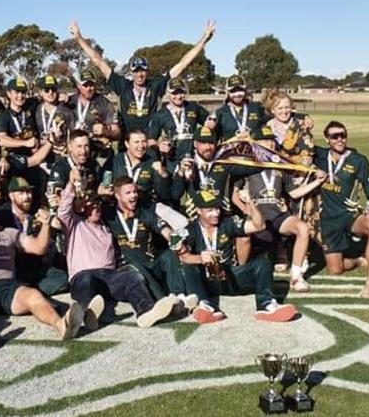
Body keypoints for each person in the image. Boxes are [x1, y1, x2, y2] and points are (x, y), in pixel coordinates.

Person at [58, 168, 193, 329]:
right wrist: (71, 184)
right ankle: (88, 314)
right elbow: (63, 210)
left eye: (98, 203)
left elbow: (155, 222)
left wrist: (175, 239)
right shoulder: (74, 223)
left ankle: (145, 312)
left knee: (132, 278)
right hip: (83, 275)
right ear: (81, 207)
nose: (96, 207)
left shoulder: (106, 225)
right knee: (87, 280)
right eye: (91, 204)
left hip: (109, 276)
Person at [0, 196, 85, 352]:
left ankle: (61, 325)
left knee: (33, 296)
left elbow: (38, 247)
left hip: (8, 287)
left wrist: (46, 224)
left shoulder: (8, 234)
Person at [69, 19, 216, 136]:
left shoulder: (156, 85)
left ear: (147, 71)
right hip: (126, 143)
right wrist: (79, 39)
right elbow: (99, 61)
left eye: (143, 70)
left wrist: (204, 39)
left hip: (149, 143)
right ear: (131, 72)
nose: (140, 74)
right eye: (136, 71)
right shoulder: (122, 85)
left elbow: (182, 64)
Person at [179, 190, 298, 324]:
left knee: (263, 261)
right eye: (210, 210)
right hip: (207, 282)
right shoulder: (190, 229)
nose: (216, 213)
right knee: (188, 266)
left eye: (217, 208)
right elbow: (184, 257)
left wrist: (251, 203)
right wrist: (200, 258)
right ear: (199, 211)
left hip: (230, 277)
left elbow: (260, 226)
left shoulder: (227, 223)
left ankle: (266, 305)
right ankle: (205, 305)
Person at [234, 127, 328, 291]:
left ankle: (296, 276)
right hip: (257, 217)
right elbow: (234, 195)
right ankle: (242, 276)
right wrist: (245, 210)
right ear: (256, 143)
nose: (269, 143)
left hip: (278, 216)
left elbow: (293, 193)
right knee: (245, 241)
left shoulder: (280, 165)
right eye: (264, 139)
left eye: (271, 139)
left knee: (302, 228)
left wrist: (317, 182)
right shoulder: (246, 165)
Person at [313, 121, 369, 298]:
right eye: (334, 136)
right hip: (328, 219)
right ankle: (359, 260)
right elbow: (297, 144)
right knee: (335, 270)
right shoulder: (319, 155)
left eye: (342, 135)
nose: (339, 139)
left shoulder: (358, 160)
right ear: (326, 139)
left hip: (349, 215)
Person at [103, 176, 190, 304]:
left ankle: (178, 295)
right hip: (127, 269)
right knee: (134, 265)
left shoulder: (145, 212)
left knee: (169, 254)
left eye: (134, 192)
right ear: (117, 196)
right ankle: (163, 301)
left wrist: (176, 241)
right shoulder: (109, 215)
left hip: (150, 264)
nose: (133, 196)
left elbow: (164, 229)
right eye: (128, 193)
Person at [0, 177, 68, 296]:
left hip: (36, 266)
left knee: (62, 278)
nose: (27, 197)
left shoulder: (37, 213)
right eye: (21, 193)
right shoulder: (2, 216)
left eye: (29, 192)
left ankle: (30, 292)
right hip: (14, 267)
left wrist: (53, 213)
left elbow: (60, 226)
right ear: (11, 196)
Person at [147, 77, 215, 162]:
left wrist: (211, 122)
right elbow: (150, 140)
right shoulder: (159, 115)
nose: (178, 97)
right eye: (174, 93)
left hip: (193, 158)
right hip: (172, 160)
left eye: (181, 92)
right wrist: (160, 145)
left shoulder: (193, 107)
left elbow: (211, 119)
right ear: (168, 94)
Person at [105, 129, 170, 205]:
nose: (141, 146)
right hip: (118, 206)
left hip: (145, 206)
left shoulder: (152, 162)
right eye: (137, 142)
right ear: (127, 144)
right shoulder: (115, 161)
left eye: (144, 142)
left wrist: (163, 175)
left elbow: (163, 194)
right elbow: (103, 185)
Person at [66, 68, 120, 160]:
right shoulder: (69, 101)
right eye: (85, 85)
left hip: (99, 154)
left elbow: (117, 133)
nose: (89, 88)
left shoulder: (104, 103)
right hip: (76, 155)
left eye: (91, 85)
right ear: (78, 86)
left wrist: (105, 131)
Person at [215, 74, 268, 141]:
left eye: (240, 90)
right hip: (230, 151)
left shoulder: (257, 108)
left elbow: (271, 125)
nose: (237, 94)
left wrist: (252, 134)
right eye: (233, 91)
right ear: (227, 92)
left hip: (255, 150)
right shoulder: (220, 113)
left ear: (245, 90)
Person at [0, 77, 39, 156]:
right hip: (14, 157)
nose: (20, 96)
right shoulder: (4, 116)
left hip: (34, 155)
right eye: (17, 92)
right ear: (9, 94)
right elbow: (1, 139)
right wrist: (25, 143)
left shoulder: (32, 106)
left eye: (23, 92)